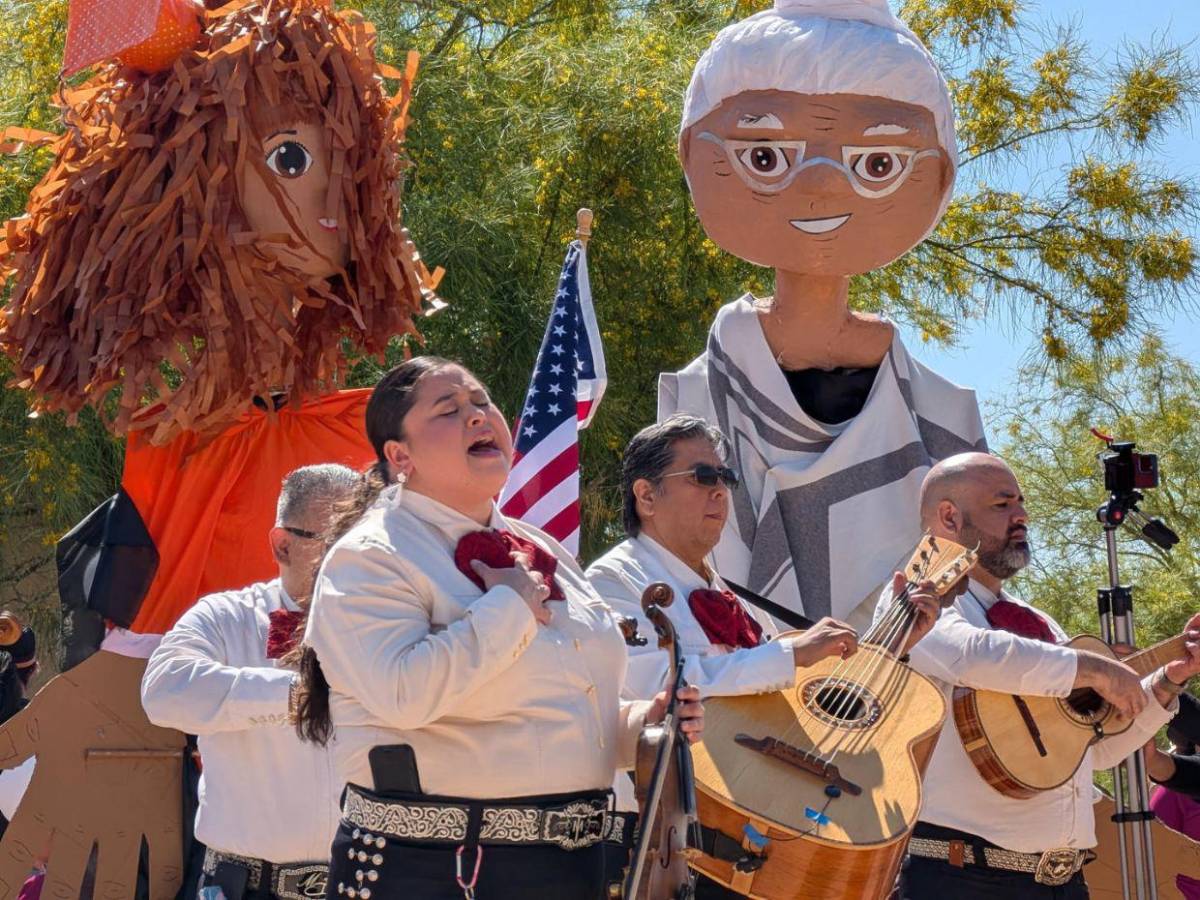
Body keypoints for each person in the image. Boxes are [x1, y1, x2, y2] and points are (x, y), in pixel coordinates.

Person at [294, 357, 704, 900]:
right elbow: (401, 694)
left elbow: (557, 713)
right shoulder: (369, 558)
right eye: (449, 409)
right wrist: (507, 607)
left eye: (481, 402)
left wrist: (639, 725)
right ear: (400, 456)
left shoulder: (543, 550)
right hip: (433, 874)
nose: (476, 416)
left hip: (572, 869)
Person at [660, 0, 987, 632]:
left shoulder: (942, 414)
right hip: (741, 688)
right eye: (764, 156)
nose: (823, 185)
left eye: (877, 164)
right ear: (694, 157)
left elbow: (974, 569)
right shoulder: (697, 400)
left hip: (905, 693)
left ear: (938, 176)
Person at [586, 413, 943, 899]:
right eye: (703, 477)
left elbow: (796, 706)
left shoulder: (739, 604)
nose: (719, 492)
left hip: (749, 844)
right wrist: (788, 656)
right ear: (646, 496)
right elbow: (653, 690)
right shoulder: (613, 582)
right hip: (661, 846)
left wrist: (893, 642)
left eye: (725, 479)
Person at [875, 452, 1200, 898]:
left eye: (1021, 503)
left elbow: (1095, 753)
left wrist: (1167, 682)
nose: (1022, 515)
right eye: (1002, 504)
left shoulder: (1039, 623)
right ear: (949, 516)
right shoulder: (914, 598)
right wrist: (1093, 669)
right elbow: (972, 655)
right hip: (962, 878)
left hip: (1064, 881)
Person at [142, 464, 360, 900]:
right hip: (245, 887)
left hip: (367, 881)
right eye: (335, 540)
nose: (355, 555)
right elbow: (163, 690)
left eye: (365, 540)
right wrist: (298, 693)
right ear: (283, 545)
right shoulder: (227, 618)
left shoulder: (389, 626)